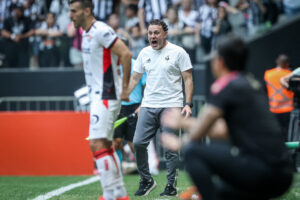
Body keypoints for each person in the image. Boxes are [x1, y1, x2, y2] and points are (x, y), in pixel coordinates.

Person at [161, 36, 293, 200]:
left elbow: (199, 131)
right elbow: (223, 130)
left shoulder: (226, 85)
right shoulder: (250, 83)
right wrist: (186, 123)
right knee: (221, 190)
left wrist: (180, 142)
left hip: (261, 170)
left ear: (220, 61)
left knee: (192, 150)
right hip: (283, 175)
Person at [68, 1, 132, 200]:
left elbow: (126, 53)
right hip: (99, 95)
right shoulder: (86, 33)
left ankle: (108, 195)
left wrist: (125, 89)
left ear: (87, 10)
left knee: (96, 144)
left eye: (74, 11)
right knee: (105, 143)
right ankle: (119, 194)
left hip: (106, 95)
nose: (71, 15)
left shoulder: (100, 30)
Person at [125, 19, 194, 196]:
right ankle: (146, 180)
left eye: (156, 33)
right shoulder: (144, 53)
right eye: (150, 33)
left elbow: (188, 79)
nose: (152, 36)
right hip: (148, 105)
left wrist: (188, 104)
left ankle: (170, 186)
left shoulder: (179, 52)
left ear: (165, 34)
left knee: (171, 149)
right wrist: (124, 95)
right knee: (139, 143)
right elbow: (134, 78)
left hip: (172, 105)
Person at [264, 54, 294, 140]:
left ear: (277, 62)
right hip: (288, 110)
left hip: (274, 109)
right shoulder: (289, 74)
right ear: (287, 64)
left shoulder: (268, 74)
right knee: (289, 135)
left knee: (276, 134)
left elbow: (264, 90)